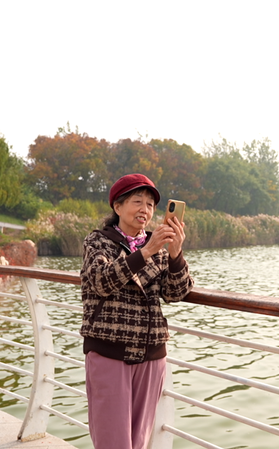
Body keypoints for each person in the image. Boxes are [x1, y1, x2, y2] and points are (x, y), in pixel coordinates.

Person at [80, 173, 194, 449]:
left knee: (139, 441)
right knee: (113, 442)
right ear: (117, 207)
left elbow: (176, 293)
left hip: (152, 352)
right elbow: (101, 281)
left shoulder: (158, 246)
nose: (145, 209)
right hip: (110, 350)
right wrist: (145, 252)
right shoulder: (98, 242)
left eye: (150, 205)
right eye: (137, 202)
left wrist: (176, 253)